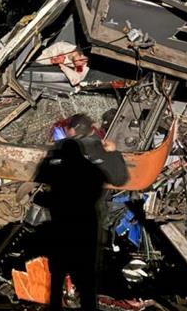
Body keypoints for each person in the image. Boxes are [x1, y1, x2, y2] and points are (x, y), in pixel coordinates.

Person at [39, 114, 128, 310]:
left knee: (59, 269)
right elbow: (119, 179)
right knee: (87, 271)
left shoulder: (59, 157)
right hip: (88, 223)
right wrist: (114, 153)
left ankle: (57, 302)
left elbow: (42, 176)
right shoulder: (96, 161)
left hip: (62, 221)